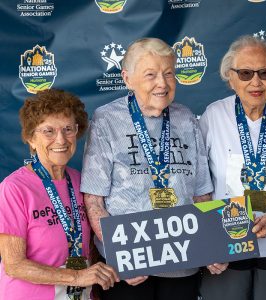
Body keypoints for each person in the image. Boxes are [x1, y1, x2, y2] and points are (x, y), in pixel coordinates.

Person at [80, 37, 213, 300]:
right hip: (128, 266)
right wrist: (122, 256)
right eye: (151, 75)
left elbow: (201, 195)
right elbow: (94, 201)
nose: (162, 83)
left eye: (168, 73)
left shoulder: (187, 118)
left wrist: (211, 247)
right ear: (128, 79)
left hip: (182, 262)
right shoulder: (106, 119)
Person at [199, 35, 266, 300]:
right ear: (230, 78)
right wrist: (209, 244)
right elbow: (199, 187)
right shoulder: (212, 116)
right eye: (245, 73)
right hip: (225, 246)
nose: (256, 82)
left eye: (265, 72)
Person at [0, 89, 119, 300]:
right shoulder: (14, 188)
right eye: (48, 131)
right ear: (30, 138)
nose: (61, 140)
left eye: (68, 129)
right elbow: (14, 265)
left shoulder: (81, 180)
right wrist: (76, 277)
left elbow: (89, 245)